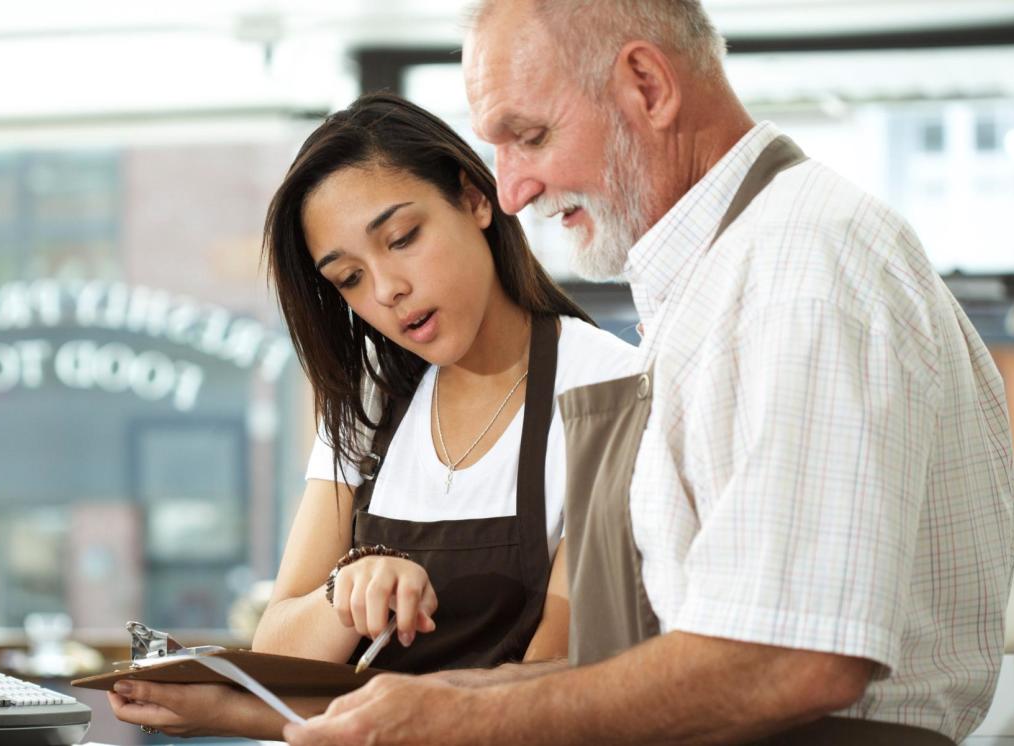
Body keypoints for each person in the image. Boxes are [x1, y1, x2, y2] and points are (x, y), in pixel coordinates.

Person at [284, 1, 1014, 745]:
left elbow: (795, 660)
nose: (512, 193)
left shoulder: (800, 269)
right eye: (347, 277)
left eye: (531, 137)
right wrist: (422, 704)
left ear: (647, 85)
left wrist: (471, 715)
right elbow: (666, 655)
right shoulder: (721, 283)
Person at [107, 92, 640, 739]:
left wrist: (238, 713)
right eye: (349, 279)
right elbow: (279, 655)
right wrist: (348, 591)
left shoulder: (605, 389)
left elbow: (552, 684)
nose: (387, 290)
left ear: (475, 199)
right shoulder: (370, 401)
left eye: (402, 239)